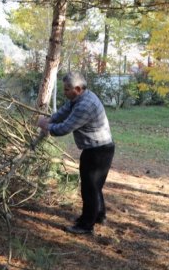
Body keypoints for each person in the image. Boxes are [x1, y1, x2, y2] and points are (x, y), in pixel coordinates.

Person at [37, 71, 115, 235]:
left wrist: (46, 126)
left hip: (98, 151)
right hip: (97, 148)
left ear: (78, 89)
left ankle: (86, 225)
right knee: (95, 187)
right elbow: (63, 112)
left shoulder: (85, 106)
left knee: (89, 188)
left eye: (67, 90)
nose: (64, 92)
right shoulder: (79, 98)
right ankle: (99, 216)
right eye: (64, 89)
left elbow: (65, 128)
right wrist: (50, 119)